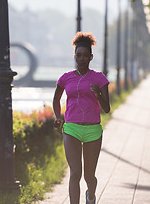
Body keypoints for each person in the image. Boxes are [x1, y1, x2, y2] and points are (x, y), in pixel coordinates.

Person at [53, 32, 110, 204]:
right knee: (75, 173)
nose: (82, 58)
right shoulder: (65, 78)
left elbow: (106, 109)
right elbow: (56, 99)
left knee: (89, 176)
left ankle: (91, 196)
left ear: (91, 57)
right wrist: (58, 117)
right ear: (74, 56)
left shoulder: (99, 78)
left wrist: (98, 94)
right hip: (71, 128)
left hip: (93, 129)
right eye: (79, 55)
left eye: (85, 55)